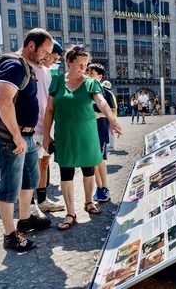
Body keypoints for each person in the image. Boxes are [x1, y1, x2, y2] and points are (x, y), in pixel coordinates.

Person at [0, 28, 53, 251]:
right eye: (45, 51)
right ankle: (9, 235)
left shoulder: (27, 67)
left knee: (29, 179)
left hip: (25, 135)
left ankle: (25, 219)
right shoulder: (14, 64)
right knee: (8, 187)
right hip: (8, 138)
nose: (47, 56)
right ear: (31, 46)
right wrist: (16, 136)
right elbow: (3, 101)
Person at [44, 49, 121, 230]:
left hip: (87, 134)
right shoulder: (57, 82)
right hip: (65, 134)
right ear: (68, 61)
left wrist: (111, 119)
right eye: (79, 64)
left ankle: (88, 202)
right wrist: (46, 135)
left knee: (88, 170)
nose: (83, 68)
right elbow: (49, 110)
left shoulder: (90, 83)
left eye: (85, 64)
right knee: (66, 173)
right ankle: (70, 213)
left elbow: (101, 101)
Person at [31, 39, 65, 214]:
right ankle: (30, 205)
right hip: (32, 127)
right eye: (54, 57)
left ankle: (43, 200)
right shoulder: (29, 68)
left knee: (44, 162)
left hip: (46, 126)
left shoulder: (47, 73)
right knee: (31, 165)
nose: (54, 61)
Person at [87, 64, 117, 203]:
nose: (88, 74)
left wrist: (96, 116)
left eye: (91, 73)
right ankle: (98, 187)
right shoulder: (84, 90)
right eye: (87, 72)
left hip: (99, 129)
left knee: (99, 160)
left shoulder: (105, 92)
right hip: (86, 130)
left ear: (99, 76)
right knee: (92, 161)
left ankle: (104, 187)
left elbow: (112, 111)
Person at [102, 80, 117, 151]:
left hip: (109, 114)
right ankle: (110, 145)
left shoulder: (108, 94)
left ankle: (111, 146)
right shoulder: (111, 94)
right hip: (111, 114)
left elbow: (113, 107)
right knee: (110, 131)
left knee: (110, 131)